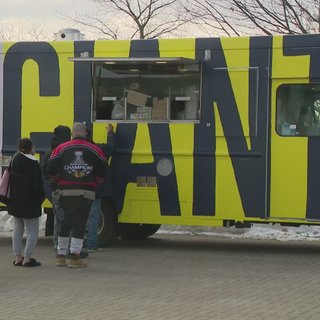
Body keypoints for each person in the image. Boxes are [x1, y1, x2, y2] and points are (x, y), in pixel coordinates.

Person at [47, 122, 107, 268]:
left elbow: (51, 167)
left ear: (72, 134)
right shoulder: (95, 150)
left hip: (65, 191)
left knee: (65, 222)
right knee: (79, 223)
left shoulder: (61, 148)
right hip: (85, 192)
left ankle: (60, 256)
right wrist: (95, 181)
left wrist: (57, 179)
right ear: (85, 133)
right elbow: (103, 169)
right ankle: (74, 257)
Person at [8, 138, 45, 267]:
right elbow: (37, 187)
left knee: (17, 230)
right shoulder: (34, 164)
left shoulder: (13, 161)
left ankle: (18, 257)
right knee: (32, 231)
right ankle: (27, 258)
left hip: (16, 202)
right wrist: (41, 196)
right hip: (30, 203)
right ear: (31, 148)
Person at [84, 124, 116, 252]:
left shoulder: (69, 150)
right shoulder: (97, 149)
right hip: (94, 190)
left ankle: (73, 246)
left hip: (76, 189)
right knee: (93, 217)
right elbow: (111, 147)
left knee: (77, 217)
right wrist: (111, 133)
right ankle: (91, 245)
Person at [42, 125, 71, 253]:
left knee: (58, 218)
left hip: (55, 188)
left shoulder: (50, 150)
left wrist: (52, 180)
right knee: (68, 218)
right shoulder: (67, 149)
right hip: (68, 187)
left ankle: (57, 244)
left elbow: (45, 168)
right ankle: (65, 246)